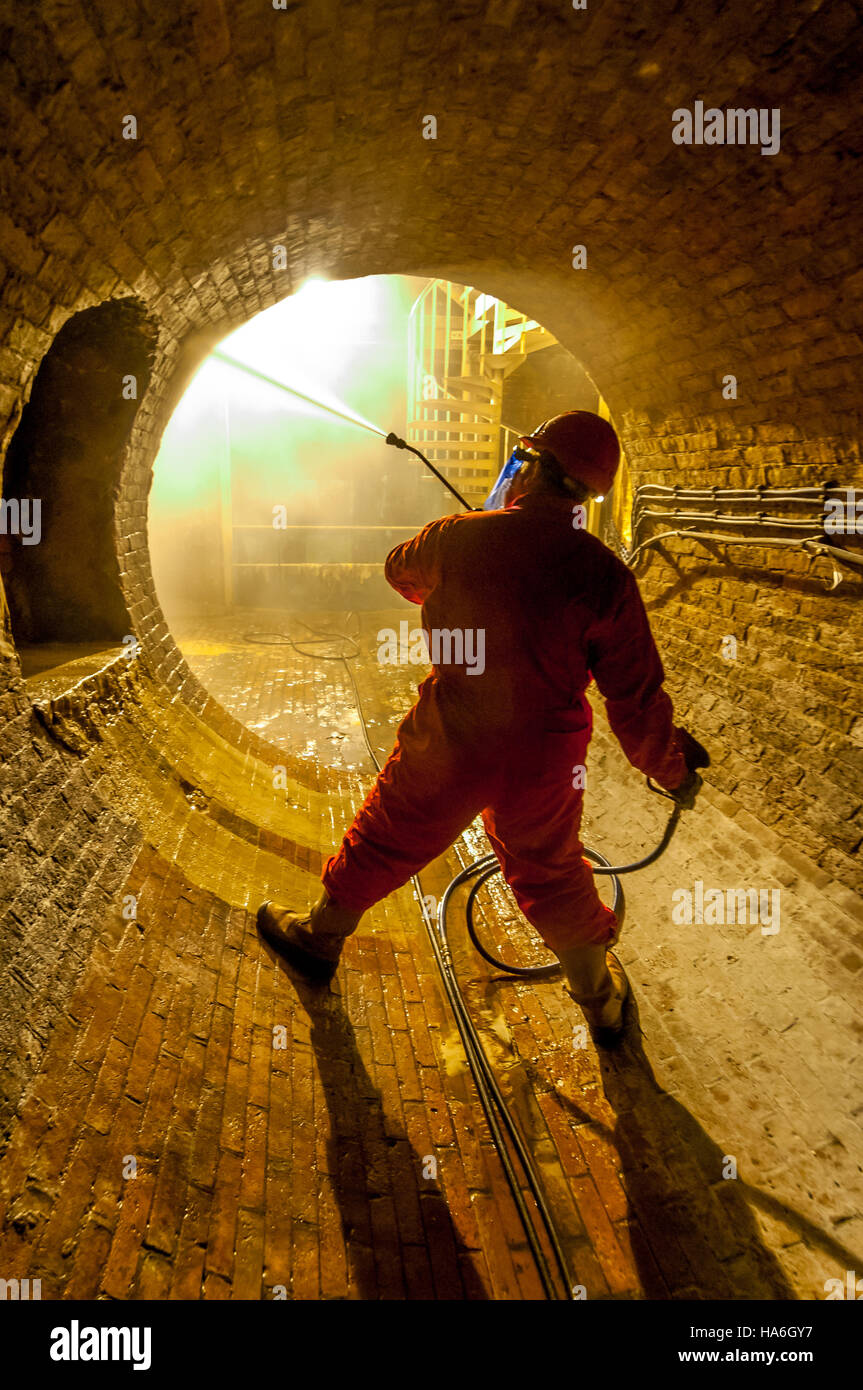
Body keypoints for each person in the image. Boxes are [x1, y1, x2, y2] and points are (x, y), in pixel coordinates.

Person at [258, 410, 709, 1047]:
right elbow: (635, 701)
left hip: (455, 736)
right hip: (545, 756)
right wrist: (674, 770)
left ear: (526, 465)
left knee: (390, 833)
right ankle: (602, 1004)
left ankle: (320, 938)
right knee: (552, 873)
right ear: (587, 494)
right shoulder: (606, 576)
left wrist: (474, 539)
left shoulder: (456, 537)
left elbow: (398, 571)